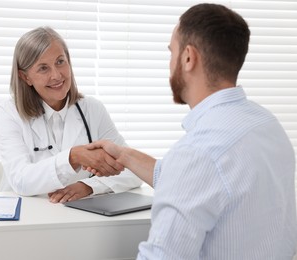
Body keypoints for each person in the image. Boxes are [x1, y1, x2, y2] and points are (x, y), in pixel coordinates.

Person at [86, 3, 297, 259]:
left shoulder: (199, 152)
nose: (170, 62)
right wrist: (124, 155)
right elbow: (205, 184)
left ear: (188, 57)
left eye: (171, 52)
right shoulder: (266, 124)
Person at [0, 26, 142, 203]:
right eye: (43, 68)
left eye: (60, 62)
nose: (56, 75)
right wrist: (73, 157)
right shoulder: (10, 113)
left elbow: (132, 170)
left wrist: (89, 186)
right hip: (26, 218)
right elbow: (21, 180)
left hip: (76, 218)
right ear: (25, 77)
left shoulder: (92, 109)